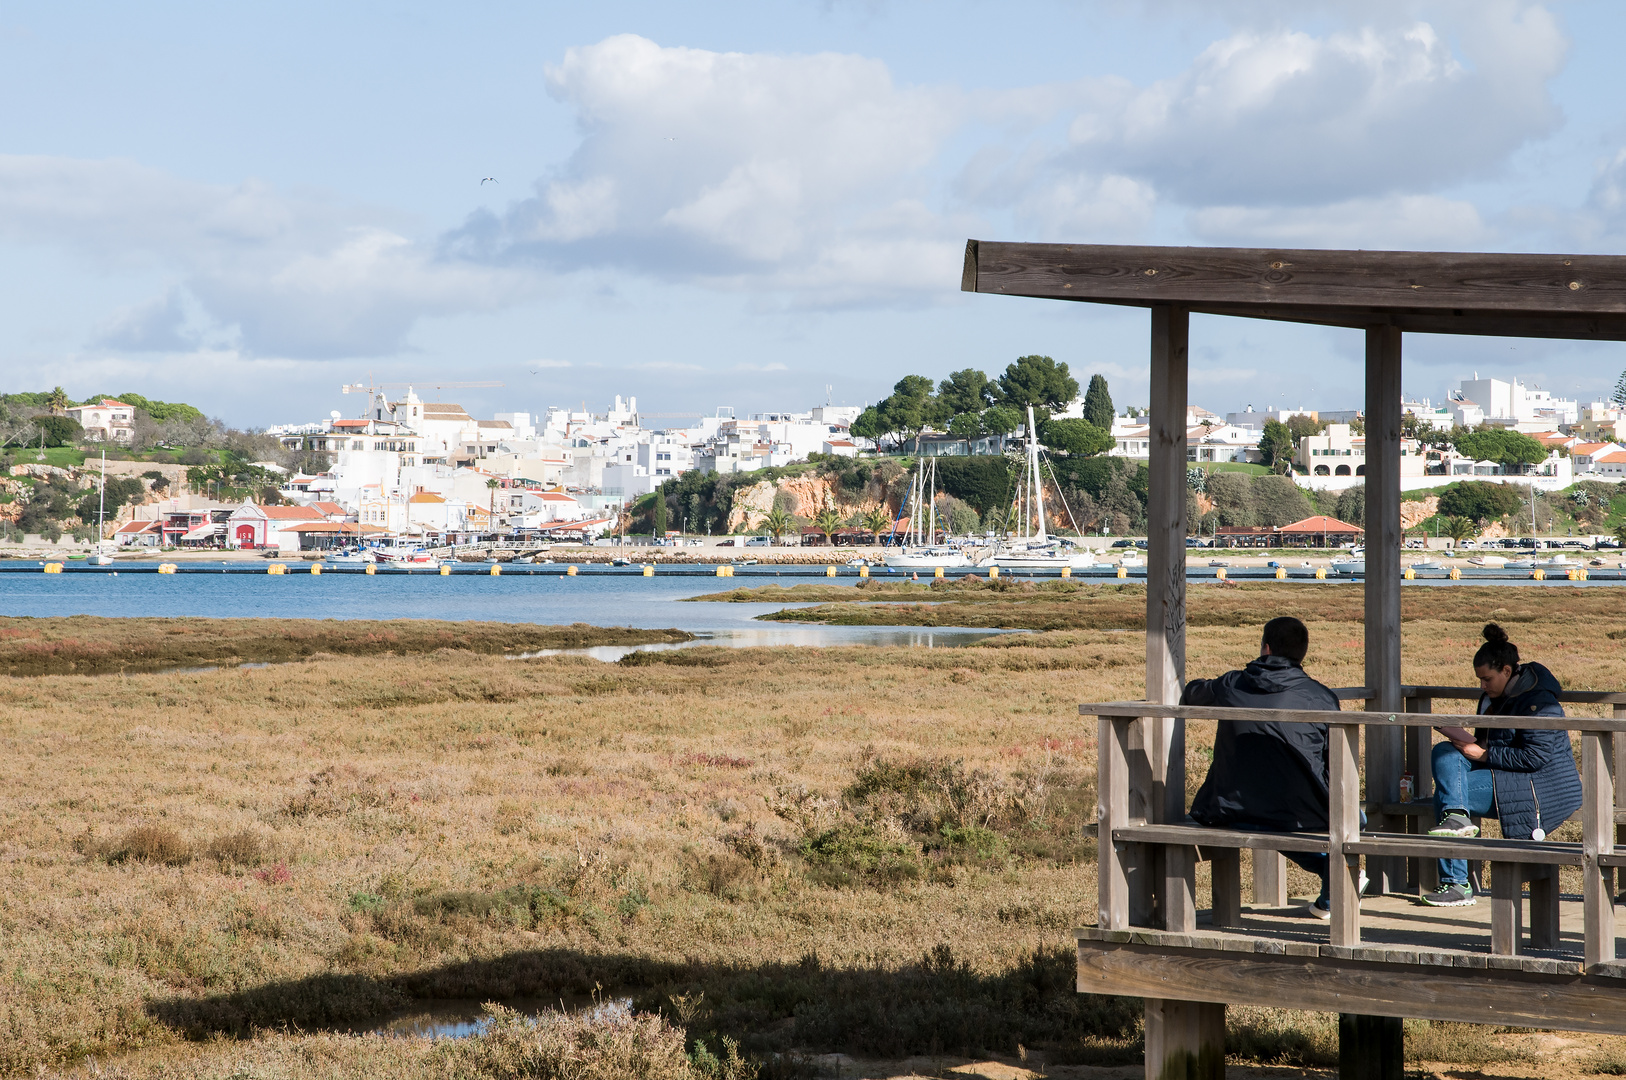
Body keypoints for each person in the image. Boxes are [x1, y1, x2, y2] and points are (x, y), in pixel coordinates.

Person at [1187, 615, 1357, 920]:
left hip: (1230, 811)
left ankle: (1337, 877)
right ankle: (1336, 887)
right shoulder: (1321, 697)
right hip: (1297, 815)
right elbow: (1336, 766)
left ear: (1265, 648)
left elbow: (1193, 692)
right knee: (1354, 817)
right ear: (1303, 653)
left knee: (1272, 814)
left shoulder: (1231, 685)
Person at [1420, 623, 1582, 907]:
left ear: (1506, 671)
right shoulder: (1493, 697)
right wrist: (1468, 742)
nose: (1482, 686)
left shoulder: (1539, 702)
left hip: (1538, 785)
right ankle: (1457, 820)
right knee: (1445, 750)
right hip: (1501, 773)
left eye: (1487, 679)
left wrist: (1482, 755)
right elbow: (1490, 741)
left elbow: (1534, 758)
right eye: (1480, 680)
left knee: (1447, 793)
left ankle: (1456, 883)